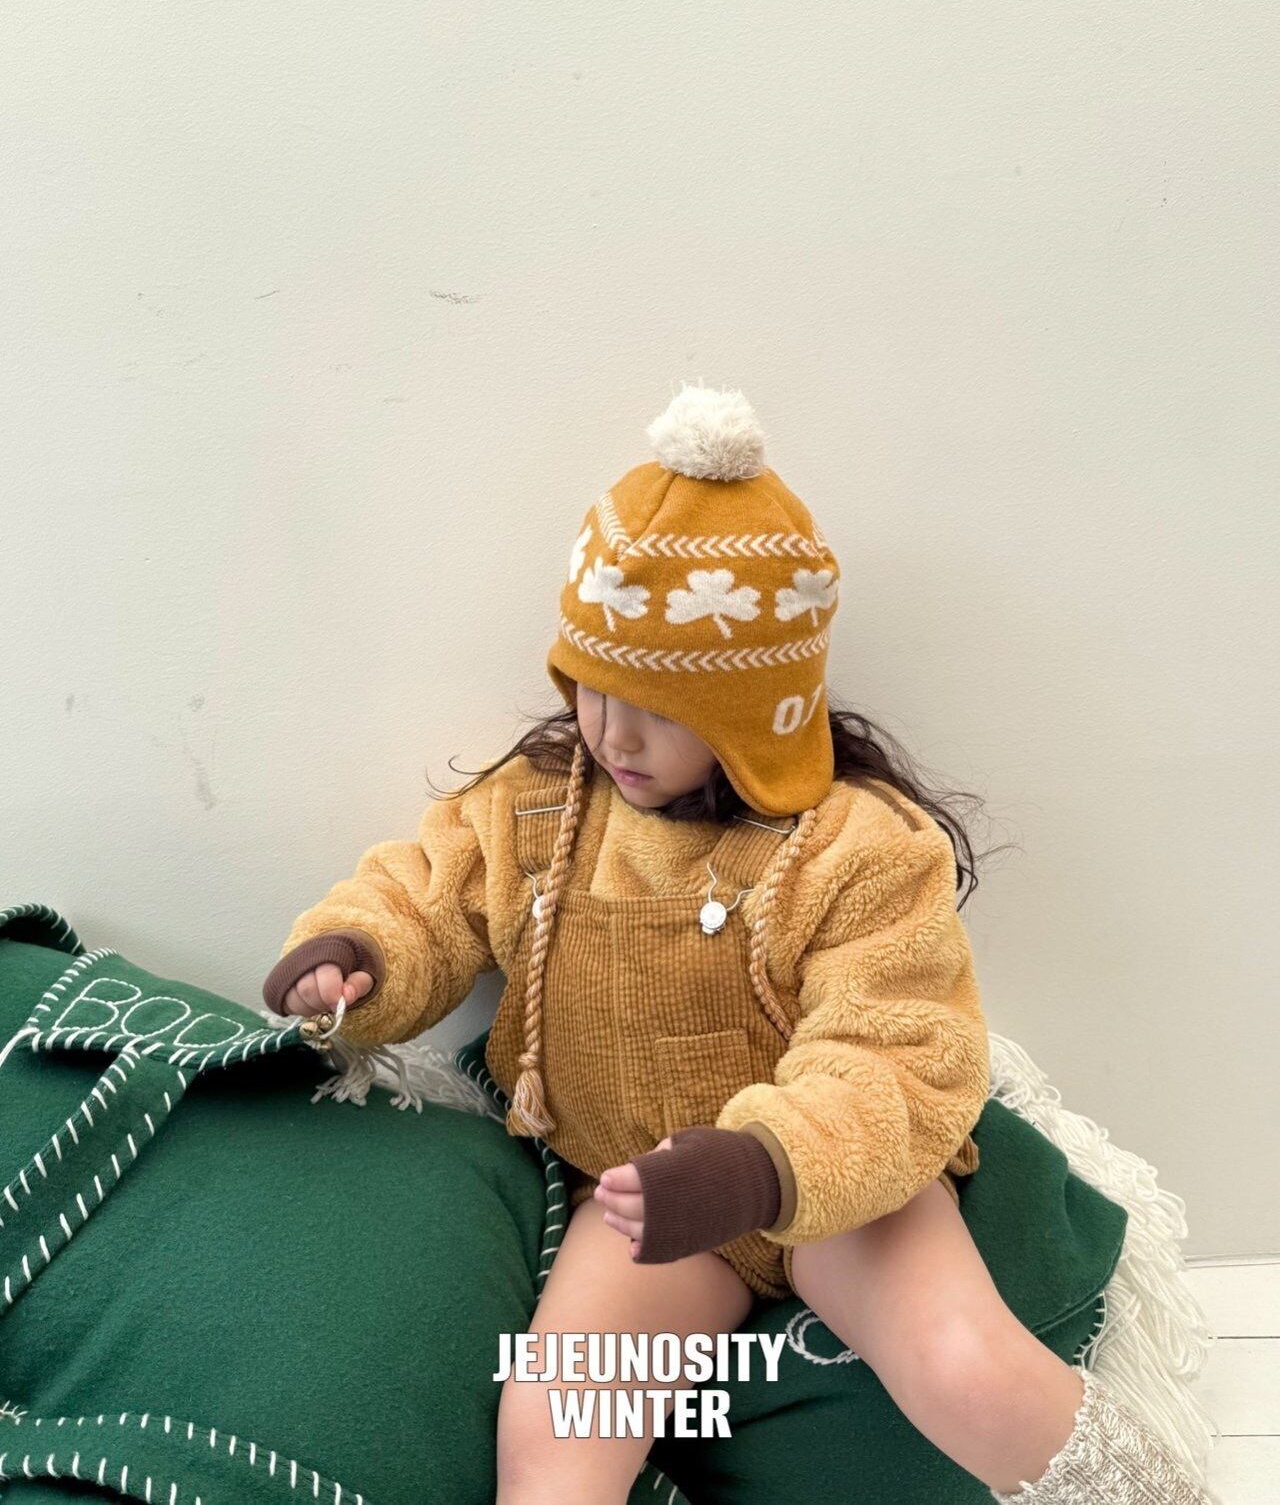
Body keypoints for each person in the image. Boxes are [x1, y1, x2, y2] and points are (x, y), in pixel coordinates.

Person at [262, 383, 1216, 1504]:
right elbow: (428, 890)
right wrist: (357, 951)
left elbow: (898, 1049)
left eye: (662, 709)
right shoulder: (538, 809)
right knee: (555, 1425)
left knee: (965, 1368)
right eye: (595, 690)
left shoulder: (857, 847)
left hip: (836, 1189)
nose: (615, 736)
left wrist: (762, 1165)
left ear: (755, 710)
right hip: (647, 1202)